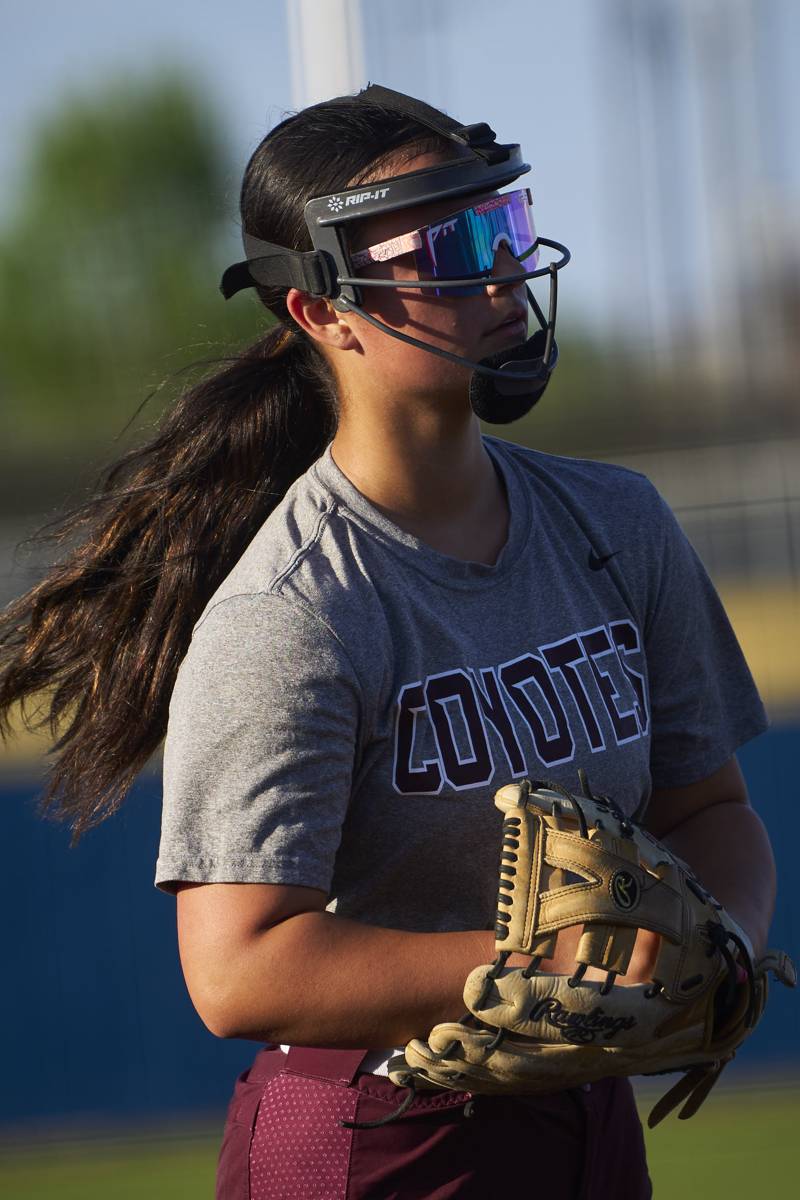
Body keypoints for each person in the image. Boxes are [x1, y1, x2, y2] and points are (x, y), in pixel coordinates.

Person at [0, 87, 776, 1199]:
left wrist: (722, 947)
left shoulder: (619, 525)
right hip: (371, 1137)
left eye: (502, 225)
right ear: (322, 311)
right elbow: (236, 970)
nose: (501, 272)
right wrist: (542, 966)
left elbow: (712, 810)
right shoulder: (292, 610)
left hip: (584, 1116)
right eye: (450, 247)